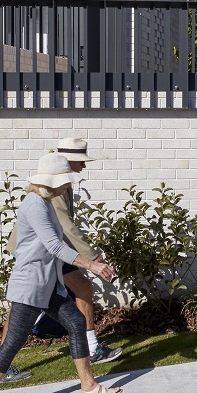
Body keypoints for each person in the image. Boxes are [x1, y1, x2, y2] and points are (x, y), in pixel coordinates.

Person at [0, 153, 126, 393]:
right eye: (65, 180)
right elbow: (54, 246)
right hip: (31, 286)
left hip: (48, 283)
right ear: (51, 181)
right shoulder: (35, 205)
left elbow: (59, 244)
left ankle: (89, 387)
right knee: (14, 341)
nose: (69, 184)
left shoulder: (46, 203)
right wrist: (93, 266)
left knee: (76, 323)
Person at [54, 135, 121, 364]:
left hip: (55, 249)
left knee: (82, 286)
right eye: (80, 161)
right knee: (24, 306)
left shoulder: (63, 184)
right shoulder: (54, 185)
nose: (83, 166)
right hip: (37, 252)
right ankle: (2, 365)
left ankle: (91, 349)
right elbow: (66, 226)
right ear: (68, 161)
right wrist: (93, 257)